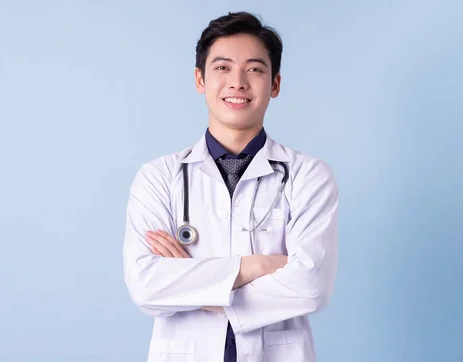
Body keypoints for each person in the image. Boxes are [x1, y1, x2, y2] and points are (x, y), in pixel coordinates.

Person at [123, 11, 339, 362]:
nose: (237, 82)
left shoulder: (307, 175)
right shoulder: (159, 177)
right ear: (200, 79)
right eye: (222, 68)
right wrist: (256, 267)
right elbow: (147, 286)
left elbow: (310, 286)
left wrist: (195, 287)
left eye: (254, 69)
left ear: (275, 84)